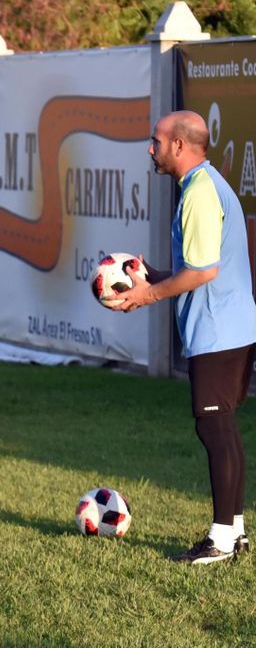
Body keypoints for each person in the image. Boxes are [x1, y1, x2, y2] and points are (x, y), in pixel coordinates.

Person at [111, 110, 256, 564]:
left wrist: (149, 292)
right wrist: (156, 276)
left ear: (179, 145)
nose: (150, 148)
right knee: (222, 427)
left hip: (218, 330)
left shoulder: (198, 191)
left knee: (214, 427)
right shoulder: (203, 185)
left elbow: (205, 271)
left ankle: (220, 541)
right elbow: (200, 264)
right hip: (231, 326)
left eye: (156, 140)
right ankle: (234, 533)